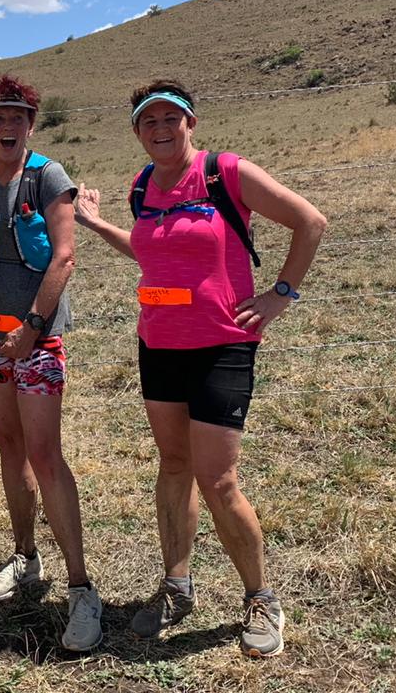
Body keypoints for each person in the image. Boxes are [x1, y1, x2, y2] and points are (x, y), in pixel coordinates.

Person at [73, 79, 326, 658]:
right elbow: (149, 252)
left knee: (218, 480)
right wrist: (96, 225)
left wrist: (280, 293)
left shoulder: (225, 173)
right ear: (136, 131)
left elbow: (310, 221)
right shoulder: (142, 186)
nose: (160, 129)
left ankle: (262, 599)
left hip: (221, 344)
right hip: (158, 342)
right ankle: (176, 584)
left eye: (171, 118)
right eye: (148, 121)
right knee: (173, 466)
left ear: (191, 122)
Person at [0, 75, 102, 653]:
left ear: (30, 125)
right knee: (10, 448)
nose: (7, 127)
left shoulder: (47, 176)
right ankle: (26, 558)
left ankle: (82, 589)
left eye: (17, 118)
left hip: (36, 340)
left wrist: (32, 327)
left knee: (45, 454)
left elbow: (63, 257)